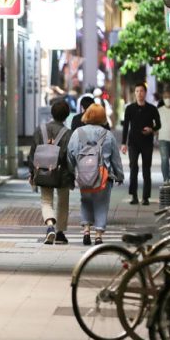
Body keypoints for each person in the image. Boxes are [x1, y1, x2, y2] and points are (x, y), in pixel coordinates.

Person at [68, 104, 125, 245]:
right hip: (103, 177)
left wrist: (73, 172)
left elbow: (70, 155)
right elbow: (115, 159)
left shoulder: (77, 133)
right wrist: (119, 175)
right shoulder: (108, 135)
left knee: (85, 201)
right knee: (101, 204)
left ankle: (86, 230)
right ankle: (98, 235)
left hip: (84, 176)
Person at [28, 100, 73, 245]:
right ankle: (60, 233)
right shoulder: (68, 134)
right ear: (66, 116)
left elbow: (33, 153)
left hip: (43, 171)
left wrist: (32, 173)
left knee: (46, 200)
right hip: (63, 173)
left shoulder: (39, 130)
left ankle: (50, 226)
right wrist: (72, 175)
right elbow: (70, 157)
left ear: (52, 113)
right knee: (63, 202)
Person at [121, 83, 161, 206]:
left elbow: (158, 124)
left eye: (142, 91)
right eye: (137, 91)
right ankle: (134, 196)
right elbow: (126, 126)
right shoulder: (130, 109)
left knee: (146, 169)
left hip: (147, 142)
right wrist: (124, 143)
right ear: (135, 93)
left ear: (145, 92)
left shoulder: (152, 109)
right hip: (133, 142)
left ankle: (146, 197)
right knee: (133, 168)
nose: (139, 93)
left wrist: (151, 129)